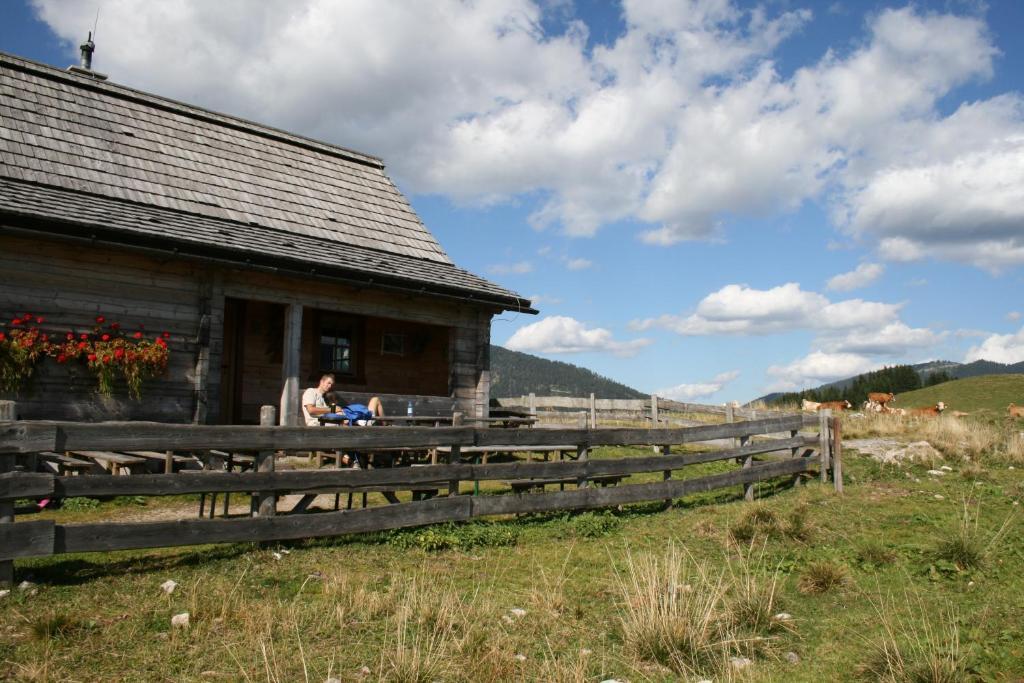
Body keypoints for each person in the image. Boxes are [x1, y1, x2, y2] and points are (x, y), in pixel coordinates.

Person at [301, 373, 385, 427]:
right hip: (317, 423)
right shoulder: (311, 391)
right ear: (321, 381)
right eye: (328, 383)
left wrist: (336, 408)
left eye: (332, 384)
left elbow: (332, 410)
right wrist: (333, 409)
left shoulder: (325, 397)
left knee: (375, 399)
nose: (330, 386)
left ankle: (364, 419)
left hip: (330, 420)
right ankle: (365, 421)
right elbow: (311, 410)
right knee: (345, 422)